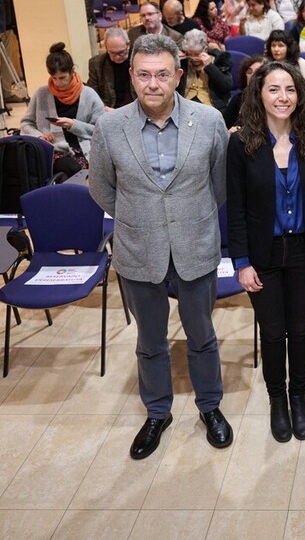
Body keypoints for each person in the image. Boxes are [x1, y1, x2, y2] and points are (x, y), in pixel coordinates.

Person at [89, 34, 233, 460]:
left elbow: (219, 184)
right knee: (150, 341)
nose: (153, 84)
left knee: (202, 336)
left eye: (162, 74)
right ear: (131, 77)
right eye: (144, 75)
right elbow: (101, 188)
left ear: (178, 75)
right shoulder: (109, 127)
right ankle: (157, 412)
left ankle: (210, 407)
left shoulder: (208, 121)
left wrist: (186, 214)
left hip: (196, 244)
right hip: (138, 249)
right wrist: (143, 215)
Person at [227, 60, 305, 442]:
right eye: (273, 89)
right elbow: (236, 209)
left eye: (290, 89)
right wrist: (241, 262)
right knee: (273, 332)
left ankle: (298, 396)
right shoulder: (240, 143)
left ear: (300, 94)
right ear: (259, 94)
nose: (282, 97)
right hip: (263, 255)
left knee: (301, 329)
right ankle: (277, 399)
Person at [21, 43, 105, 176]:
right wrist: (39, 136)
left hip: (86, 149)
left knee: (97, 173)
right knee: (75, 171)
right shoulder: (41, 93)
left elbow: (101, 130)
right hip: (55, 151)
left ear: (72, 72)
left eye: (62, 78)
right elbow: (26, 123)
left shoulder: (89, 94)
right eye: (54, 78)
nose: (58, 83)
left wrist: (74, 125)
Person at [264, 29, 305, 125]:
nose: (276, 49)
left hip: (300, 111)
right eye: (273, 45)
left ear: (288, 47)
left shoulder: (301, 64)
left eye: (280, 46)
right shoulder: (266, 66)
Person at [178, 29, 233, 110]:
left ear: (205, 49)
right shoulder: (183, 61)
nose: (193, 58)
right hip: (185, 102)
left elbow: (226, 86)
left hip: (210, 104)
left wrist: (210, 66)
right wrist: (174, 62)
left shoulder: (220, 59)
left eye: (197, 54)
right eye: (190, 54)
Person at [88, 27, 135, 109]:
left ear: (128, 45)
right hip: (110, 109)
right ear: (106, 47)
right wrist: (105, 108)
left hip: (135, 108)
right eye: (112, 53)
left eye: (121, 52)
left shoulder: (137, 60)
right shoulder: (96, 64)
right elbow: (93, 94)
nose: (117, 57)